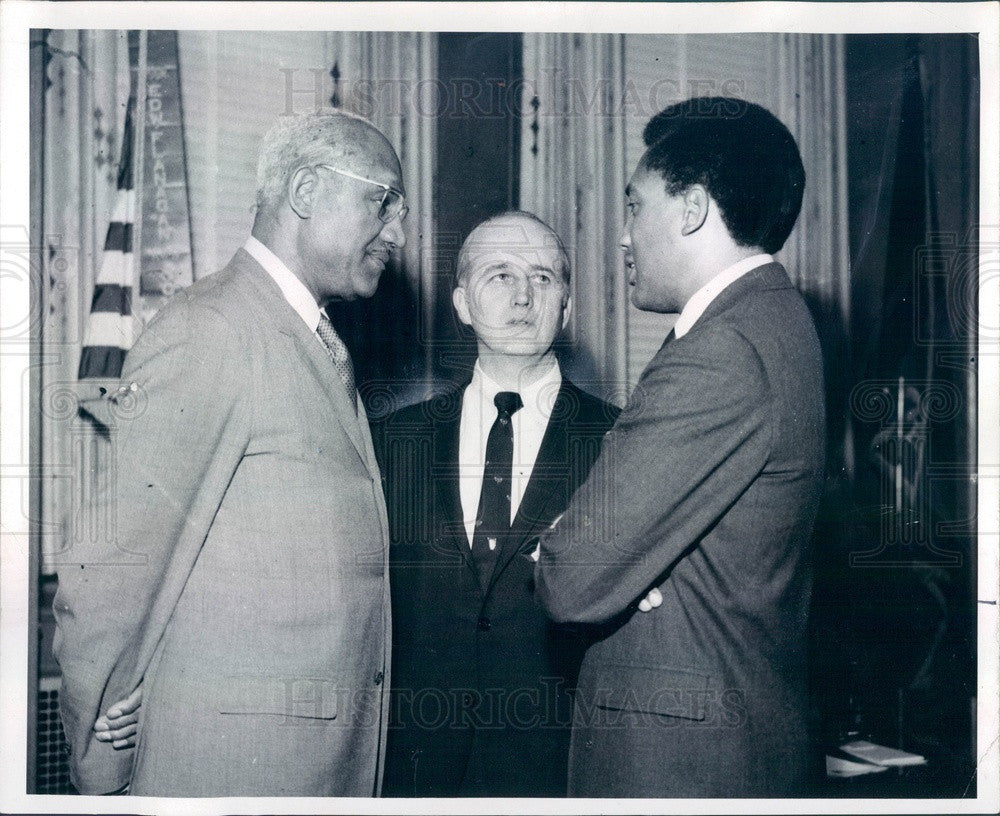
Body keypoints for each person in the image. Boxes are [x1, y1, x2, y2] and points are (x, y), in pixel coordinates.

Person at [53, 111, 406, 796]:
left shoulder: (308, 336)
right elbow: (113, 563)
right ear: (306, 192)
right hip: (234, 770)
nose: (396, 231)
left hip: (309, 765)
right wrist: (99, 740)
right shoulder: (213, 330)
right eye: (383, 200)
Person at [534, 97, 826, 797]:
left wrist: (563, 543)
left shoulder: (720, 350)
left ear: (692, 207)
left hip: (683, 762)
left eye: (635, 205)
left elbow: (573, 579)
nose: (625, 236)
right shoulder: (774, 319)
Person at [377, 212, 619, 796]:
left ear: (566, 305)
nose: (522, 297)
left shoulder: (620, 441)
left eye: (543, 278)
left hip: (557, 768)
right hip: (417, 767)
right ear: (461, 303)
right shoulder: (392, 440)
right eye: (499, 276)